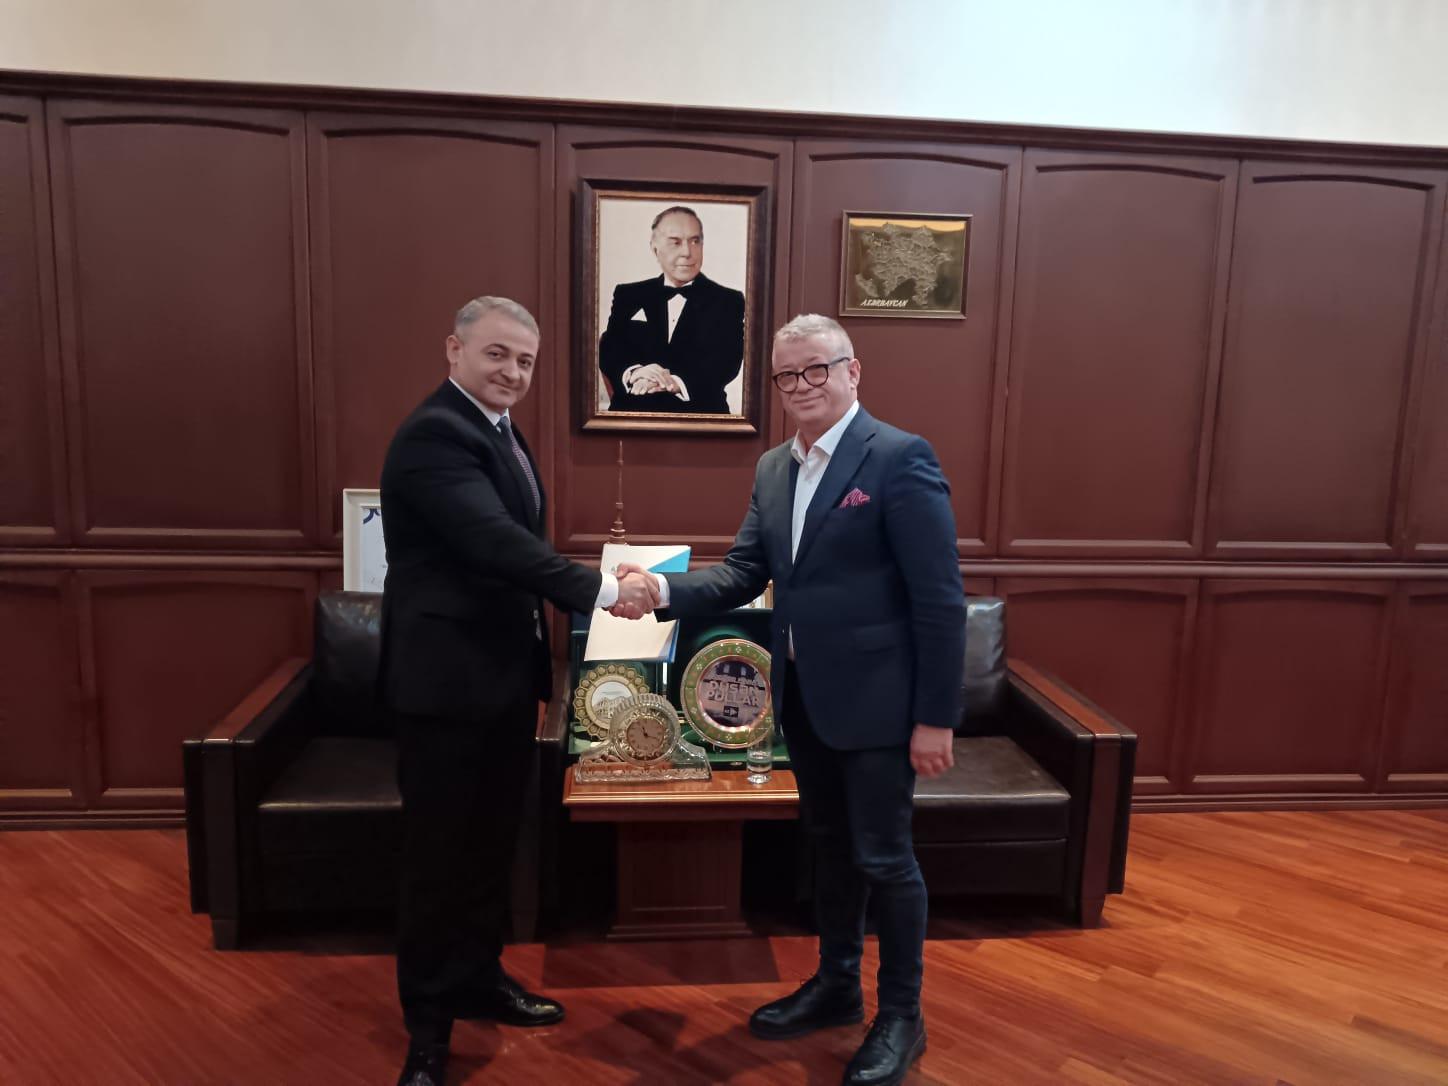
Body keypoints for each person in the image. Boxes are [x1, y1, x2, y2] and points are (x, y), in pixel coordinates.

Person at [617, 314, 964, 1086]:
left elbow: (941, 602)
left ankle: (902, 1015)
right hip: (805, 698)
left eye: (817, 369)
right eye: (786, 375)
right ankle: (838, 986)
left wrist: (935, 717)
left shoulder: (899, 457)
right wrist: (660, 590)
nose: (802, 386)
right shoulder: (776, 466)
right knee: (832, 849)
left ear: (852, 371)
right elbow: (743, 571)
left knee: (886, 859)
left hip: (881, 705)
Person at [378, 296, 658, 1086]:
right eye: (497, 354)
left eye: (525, 361)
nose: (512, 372)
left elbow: (518, 544)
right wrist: (606, 591)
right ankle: (428, 1033)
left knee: (489, 848)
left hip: (500, 679)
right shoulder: (436, 434)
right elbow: (495, 543)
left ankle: (478, 978)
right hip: (443, 686)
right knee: (437, 861)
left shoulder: (499, 429)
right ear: (454, 349)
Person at [597, 205, 746, 414]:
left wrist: (675, 382)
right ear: (654, 248)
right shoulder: (628, 294)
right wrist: (636, 373)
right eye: (675, 242)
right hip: (632, 413)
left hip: (702, 417)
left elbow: (727, 360)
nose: (687, 252)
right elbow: (610, 348)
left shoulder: (729, 301)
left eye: (695, 241)